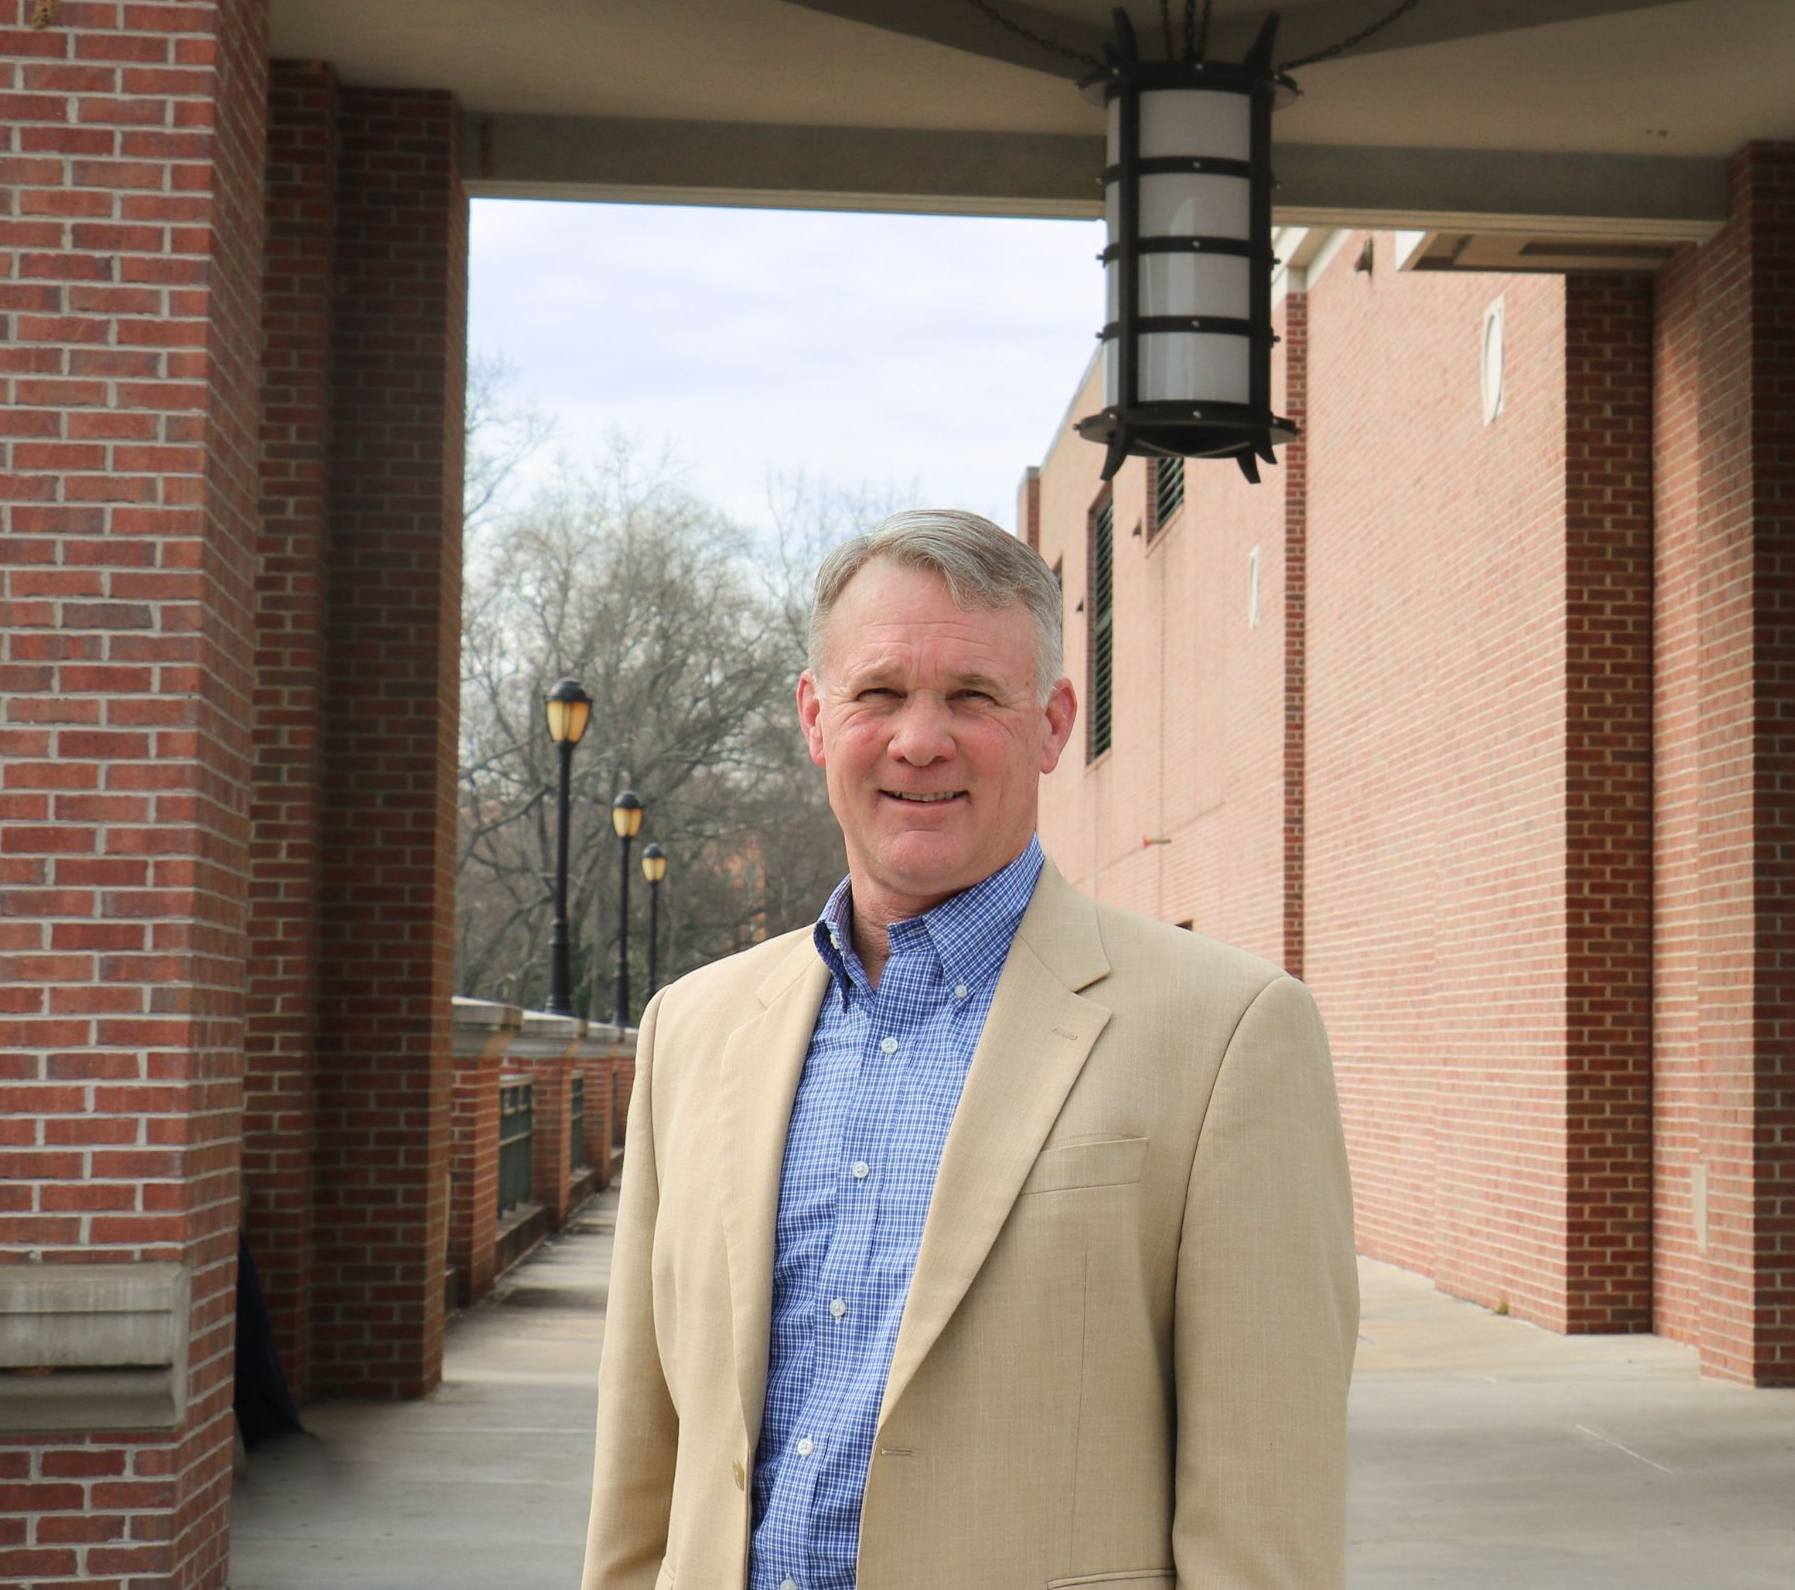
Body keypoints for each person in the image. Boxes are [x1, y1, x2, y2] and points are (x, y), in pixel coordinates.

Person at [581, 509, 1358, 1590]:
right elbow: (642, 1466)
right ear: (815, 716)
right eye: (880, 692)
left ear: (1050, 724)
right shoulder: (691, 1029)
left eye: (972, 697)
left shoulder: (1229, 1035)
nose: (918, 740)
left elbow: (1260, 1510)